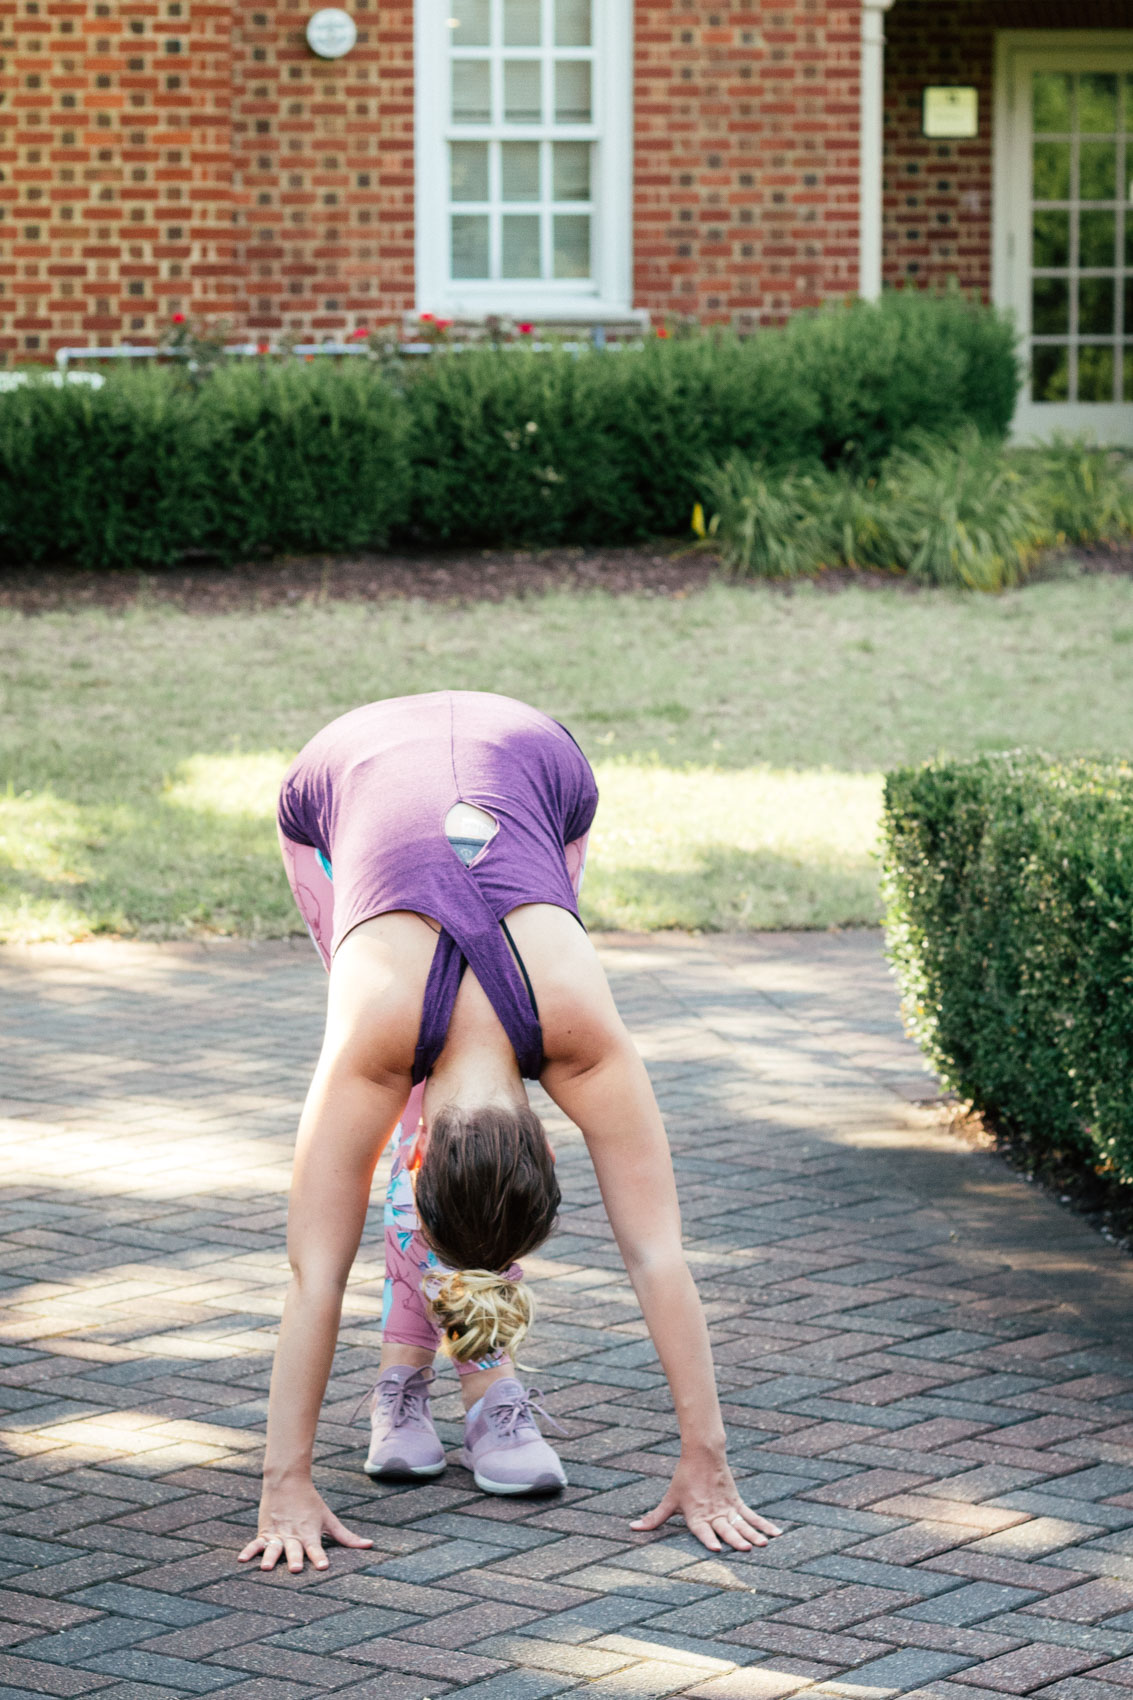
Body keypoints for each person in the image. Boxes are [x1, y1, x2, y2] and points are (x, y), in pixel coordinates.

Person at [239, 691, 781, 1574]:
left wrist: (708, 1455)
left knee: (421, 1116)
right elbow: (317, 1271)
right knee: (392, 1095)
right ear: (549, 1131)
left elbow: (659, 1257)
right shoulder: (375, 1041)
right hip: (343, 771)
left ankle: (444, 1378)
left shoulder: (580, 1034)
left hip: (534, 763)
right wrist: (281, 1479)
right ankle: (432, 1379)